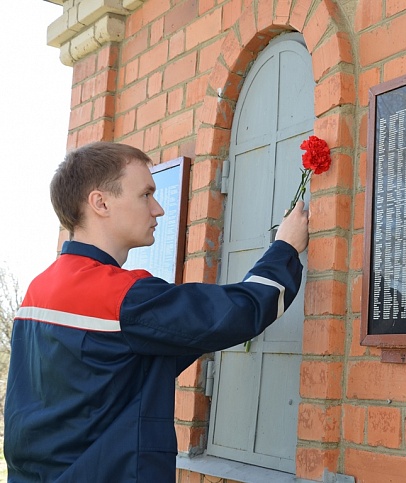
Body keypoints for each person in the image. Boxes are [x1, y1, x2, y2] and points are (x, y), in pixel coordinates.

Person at [4, 142, 309, 482]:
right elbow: (242, 311)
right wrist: (285, 248)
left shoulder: (38, 289)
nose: (158, 209)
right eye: (145, 195)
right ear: (100, 203)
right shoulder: (122, 297)